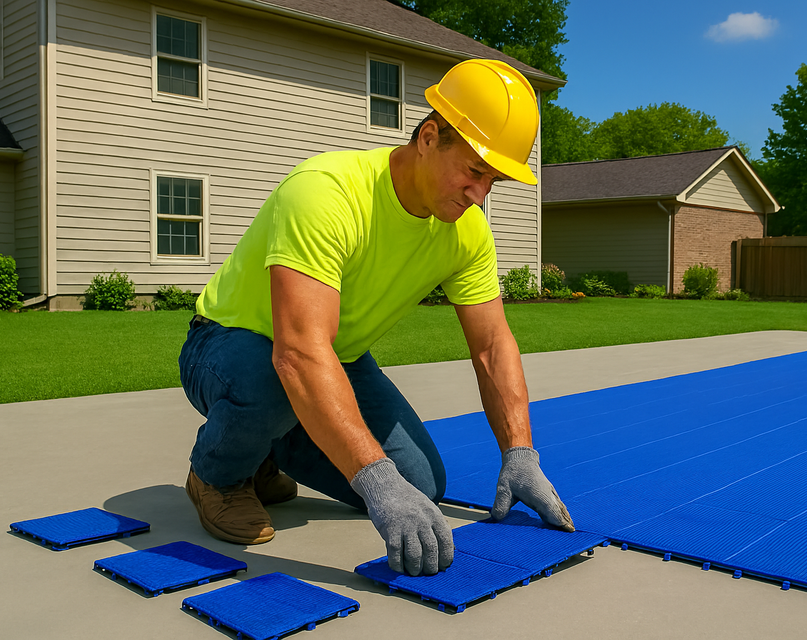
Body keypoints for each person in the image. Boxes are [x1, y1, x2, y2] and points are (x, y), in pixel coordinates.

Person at [178, 58, 574, 577]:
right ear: (429, 137)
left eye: (494, 180)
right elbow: (297, 352)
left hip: (335, 355)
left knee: (423, 485)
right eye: (475, 172)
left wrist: (520, 453)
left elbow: (492, 345)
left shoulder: (467, 232)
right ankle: (217, 475)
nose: (481, 194)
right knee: (279, 385)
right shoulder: (326, 191)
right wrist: (375, 481)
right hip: (228, 346)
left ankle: (262, 450)